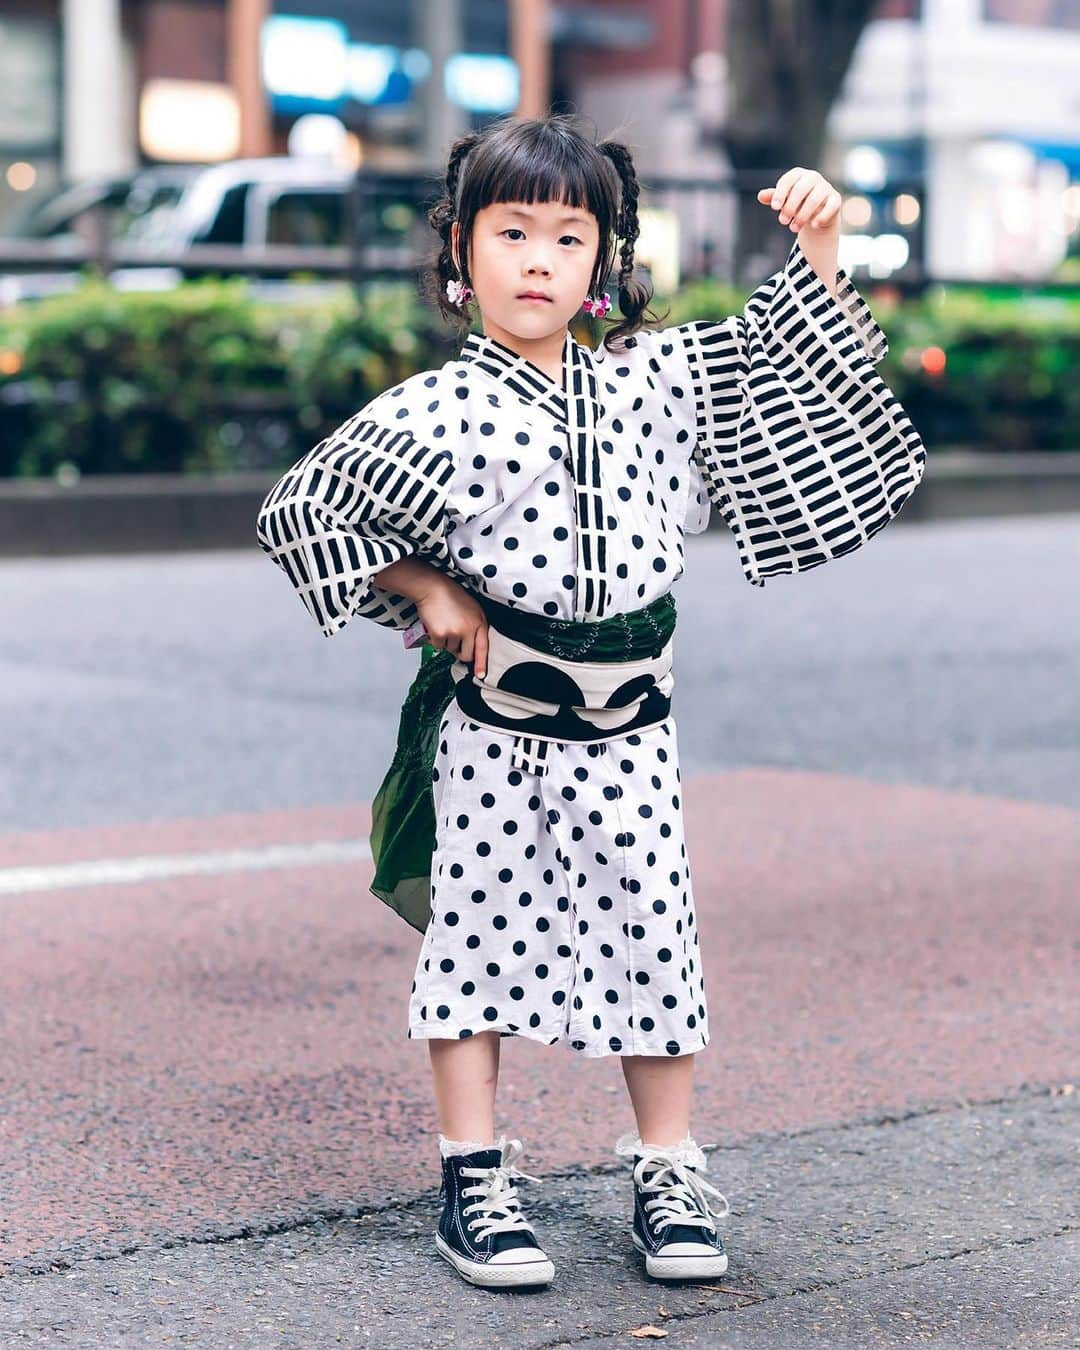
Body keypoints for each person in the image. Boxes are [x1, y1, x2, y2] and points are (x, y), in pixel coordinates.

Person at [255, 113, 925, 1291]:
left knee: (655, 938)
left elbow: (785, 360)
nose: (537, 262)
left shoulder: (657, 378)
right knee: (476, 939)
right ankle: (472, 1173)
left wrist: (820, 243)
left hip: (633, 733)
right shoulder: (437, 409)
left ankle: (667, 1167)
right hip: (498, 726)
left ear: (605, 261)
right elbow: (303, 508)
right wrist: (420, 584)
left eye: (570, 239)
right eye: (509, 233)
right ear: (459, 253)